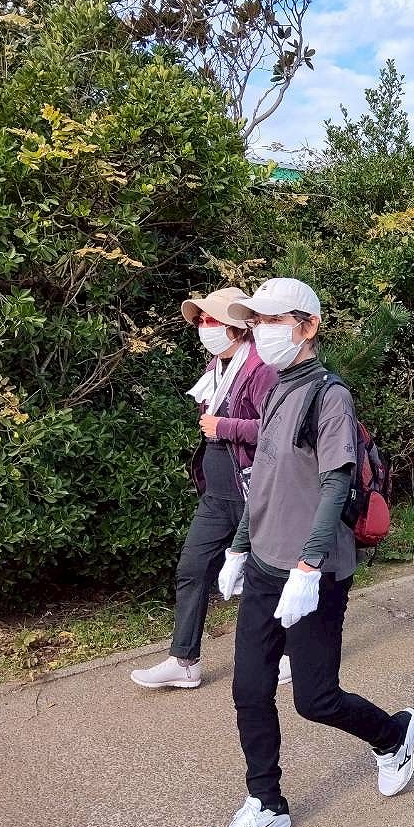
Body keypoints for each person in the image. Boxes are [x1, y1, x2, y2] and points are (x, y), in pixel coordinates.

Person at [205, 278, 414, 827]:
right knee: (250, 688)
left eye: (274, 320)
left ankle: (394, 734)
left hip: (314, 571)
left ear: (308, 326)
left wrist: (308, 564)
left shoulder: (330, 397)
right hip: (265, 561)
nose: (262, 332)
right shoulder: (276, 389)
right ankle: (266, 804)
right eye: (257, 322)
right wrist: (241, 547)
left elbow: (336, 482)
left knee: (315, 698)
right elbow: (266, 478)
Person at [130, 288, 283, 691]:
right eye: (200, 320)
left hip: (253, 491)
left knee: (267, 576)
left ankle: (287, 654)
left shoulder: (261, 368)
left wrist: (224, 427)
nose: (203, 326)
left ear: (236, 327)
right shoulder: (217, 365)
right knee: (192, 569)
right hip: (216, 495)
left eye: (211, 319)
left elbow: (277, 429)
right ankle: (184, 661)